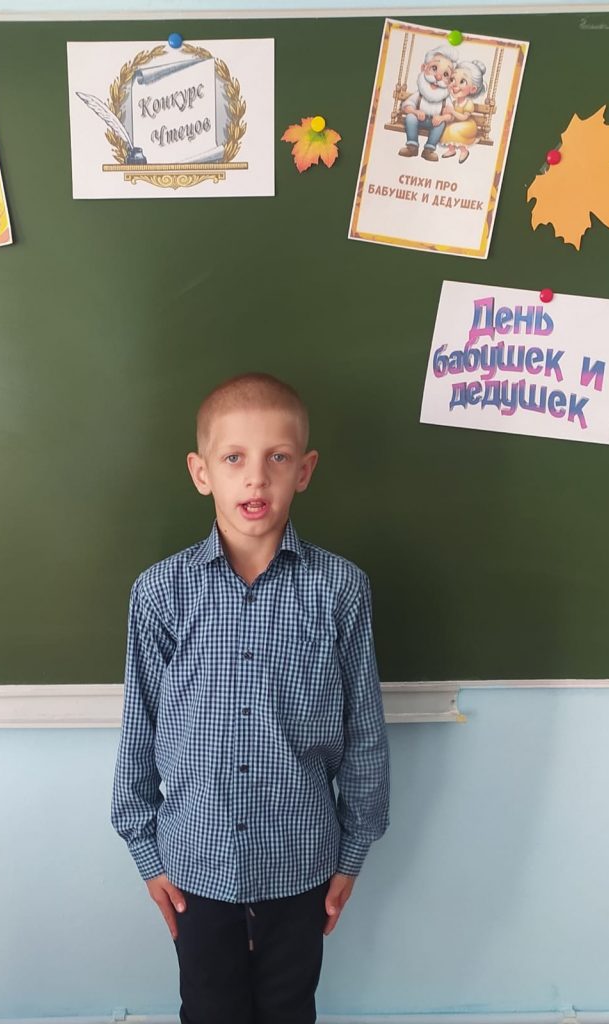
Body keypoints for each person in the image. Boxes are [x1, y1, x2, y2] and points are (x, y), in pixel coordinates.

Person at [111, 372, 390, 1024]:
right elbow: (139, 730)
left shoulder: (340, 589)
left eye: (278, 458)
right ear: (201, 472)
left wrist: (354, 850)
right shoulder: (160, 592)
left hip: (302, 862)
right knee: (210, 1010)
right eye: (234, 458)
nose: (256, 479)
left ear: (305, 470)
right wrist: (145, 850)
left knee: (289, 1009)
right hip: (194, 865)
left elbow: (365, 731)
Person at [398, 45, 455, 162]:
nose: (438, 77)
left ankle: (429, 150)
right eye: (434, 68)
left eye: (445, 75)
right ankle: (412, 147)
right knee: (410, 118)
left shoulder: (445, 98)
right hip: (419, 120)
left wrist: (441, 117)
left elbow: (450, 115)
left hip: (434, 123)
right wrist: (415, 111)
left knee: (441, 124)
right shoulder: (420, 93)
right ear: (424, 68)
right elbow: (406, 106)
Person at [440, 59, 487, 164]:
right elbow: (451, 116)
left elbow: (464, 117)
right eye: (452, 79)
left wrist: (452, 112)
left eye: (462, 82)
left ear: (473, 89)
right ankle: (451, 150)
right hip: (456, 124)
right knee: (447, 128)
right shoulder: (454, 102)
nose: (454, 85)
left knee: (453, 129)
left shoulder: (468, 103)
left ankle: (464, 151)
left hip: (467, 125)